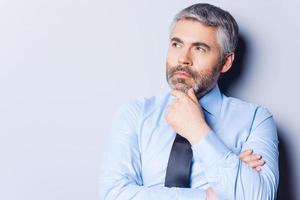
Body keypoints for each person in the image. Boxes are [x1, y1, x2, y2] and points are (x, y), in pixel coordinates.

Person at [99, 3, 279, 200]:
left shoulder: (255, 119)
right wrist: (209, 195)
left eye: (200, 48)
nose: (183, 59)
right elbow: (113, 194)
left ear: (225, 62)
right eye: (177, 44)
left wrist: (197, 130)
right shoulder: (135, 114)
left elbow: (260, 197)